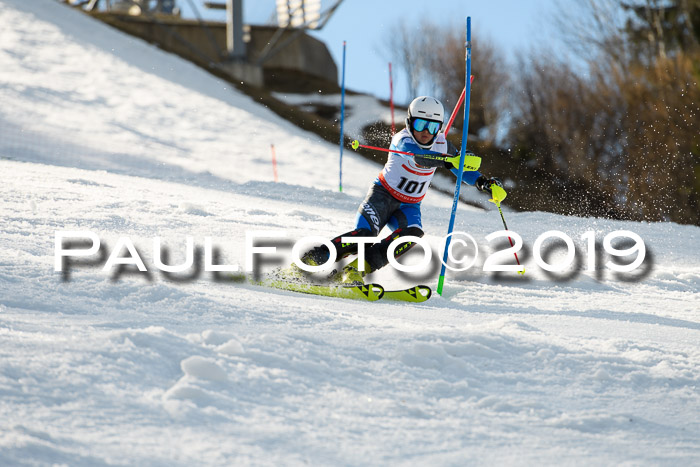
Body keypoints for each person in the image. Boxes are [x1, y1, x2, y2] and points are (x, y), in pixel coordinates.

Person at [297, 96, 506, 284]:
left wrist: (483, 183)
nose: (426, 132)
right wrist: (450, 161)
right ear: (409, 122)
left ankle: (355, 271)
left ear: (439, 128)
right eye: (421, 124)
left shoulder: (442, 145)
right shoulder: (403, 140)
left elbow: (463, 167)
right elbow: (418, 156)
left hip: (409, 205)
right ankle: (312, 259)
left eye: (433, 127)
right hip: (382, 197)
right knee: (365, 235)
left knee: (412, 235)